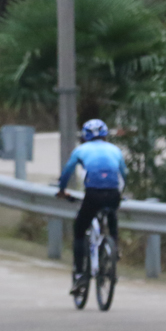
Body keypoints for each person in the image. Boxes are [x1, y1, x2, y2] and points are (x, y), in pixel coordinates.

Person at [57, 119, 127, 295]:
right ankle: (114, 247)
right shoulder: (115, 150)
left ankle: (80, 274)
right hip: (112, 193)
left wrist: (62, 190)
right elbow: (123, 174)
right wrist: (121, 192)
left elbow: (67, 172)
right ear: (105, 135)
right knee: (111, 213)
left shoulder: (81, 150)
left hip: (93, 194)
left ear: (84, 137)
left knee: (80, 229)